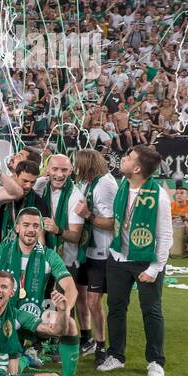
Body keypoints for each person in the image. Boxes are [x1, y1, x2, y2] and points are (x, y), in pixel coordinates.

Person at [0, 207, 83, 376]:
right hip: (5, 316)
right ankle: (24, 358)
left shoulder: (49, 255)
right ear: (17, 228)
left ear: (40, 230)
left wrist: (65, 309)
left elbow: (71, 288)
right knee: (3, 373)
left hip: (36, 315)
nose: (31, 230)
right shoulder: (2, 250)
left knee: (70, 324)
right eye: (26, 225)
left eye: (36, 226)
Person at [99, 144, 171, 376]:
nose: (123, 159)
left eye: (128, 158)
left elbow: (165, 235)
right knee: (116, 308)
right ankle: (116, 356)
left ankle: (155, 360)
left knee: (151, 310)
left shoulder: (158, 195)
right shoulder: (123, 187)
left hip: (145, 260)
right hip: (118, 256)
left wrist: (155, 268)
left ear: (137, 168)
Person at [72, 148, 117, 362]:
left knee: (93, 300)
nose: (75, 168)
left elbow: (111, 223)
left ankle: (101, 345)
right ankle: (86, 338)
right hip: (85, 249)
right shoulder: (89, 182)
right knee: (80, 296)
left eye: (77, 164)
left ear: (86, 165)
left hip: (101, 251)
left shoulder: (106, 184)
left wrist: (88, 215)